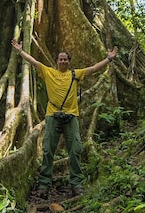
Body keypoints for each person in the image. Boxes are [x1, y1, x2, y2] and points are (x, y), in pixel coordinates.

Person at [11, 38, 118, 197]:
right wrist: (20, 51)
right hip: (53, 116)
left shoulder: (76, 74)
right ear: (56, 62)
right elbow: (33, 62)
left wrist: (109, 58)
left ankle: (76, 184)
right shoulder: (49, 72)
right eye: (60, 59)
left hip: (71, 116)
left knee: (75, 150)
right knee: (48, 150)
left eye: (65, 59)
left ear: (69, 62)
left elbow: (94, 69)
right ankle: (44, 184)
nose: (63, 61)